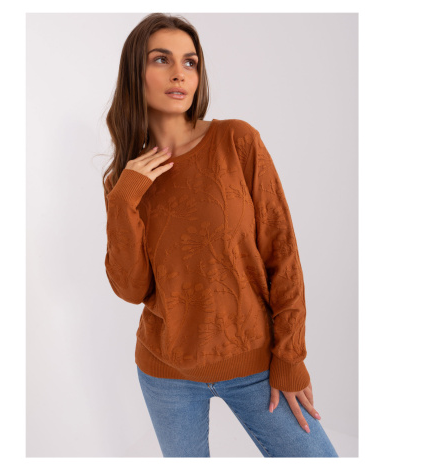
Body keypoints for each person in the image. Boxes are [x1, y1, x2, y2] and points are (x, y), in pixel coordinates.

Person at [102, 12, 339, 458]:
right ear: (135, 72)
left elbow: (282, 253)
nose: (179, 73)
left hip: (256, 362)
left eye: (190, 62)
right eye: (161, 59)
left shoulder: (236, 141)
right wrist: (122, 199)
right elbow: (132, 289)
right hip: (165, 372)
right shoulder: (125, 180)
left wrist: (291, 356)